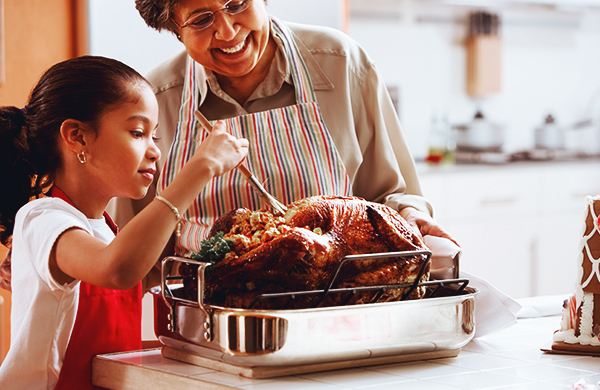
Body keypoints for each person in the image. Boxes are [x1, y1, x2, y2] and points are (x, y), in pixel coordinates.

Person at [126, 0, 457, 258]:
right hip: (207, 314)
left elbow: (390, 197)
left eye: (238, 4)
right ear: (173, 27)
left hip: (338, 305)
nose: (227, 32)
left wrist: (410, 214)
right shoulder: (155, 100)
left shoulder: (341, 64)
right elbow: (132, 243)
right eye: (201, 19)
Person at [0, 55, 248, 390]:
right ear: (77, 137)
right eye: (137, 132)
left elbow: (112, 349)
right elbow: (116, 269)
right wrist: (200, 168)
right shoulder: (43, 218)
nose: (154, 151)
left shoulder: (105, 228)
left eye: (154, 136)